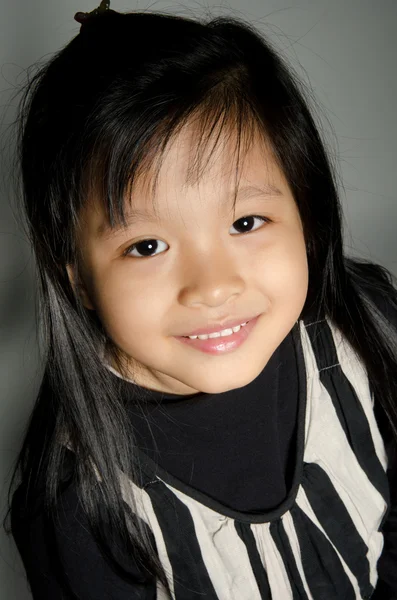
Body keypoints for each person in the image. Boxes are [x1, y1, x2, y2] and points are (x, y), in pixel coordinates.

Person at [3, 2, 397, 598]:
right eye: (147, 245)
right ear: (78, 277)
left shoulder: (365, 323)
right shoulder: (80, 503)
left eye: (246, 222)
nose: (212, 286)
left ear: (305, 211)